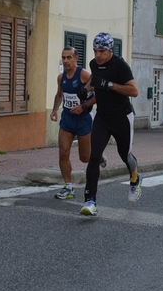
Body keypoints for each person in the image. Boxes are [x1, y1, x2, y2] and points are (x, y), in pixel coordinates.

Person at [79, 32, 140, 217]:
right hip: (102, 117)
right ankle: (90, 201)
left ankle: (135, 180)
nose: (98, 55)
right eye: (95, 50)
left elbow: (134, 91)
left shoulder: (120, 65)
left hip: (122, 117)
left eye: (102, 51)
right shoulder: (93, 64)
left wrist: (108, 84)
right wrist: (86, 90)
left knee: (125, 155)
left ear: (109, 50)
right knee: (94, 156)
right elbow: (94, 81)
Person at [49, 47, 101, 200]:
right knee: (63, 152)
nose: (65, 61)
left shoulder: (84, 75)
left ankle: (98, 154)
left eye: (69, 57)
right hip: (67, 119)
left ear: (76, 59)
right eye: (63, 57)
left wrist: (83, 106)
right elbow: (59, 95)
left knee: (85, 158)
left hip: (83, 119)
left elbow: (99, 94)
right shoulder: (61, 78)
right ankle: (68, 187)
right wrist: (54, 110)